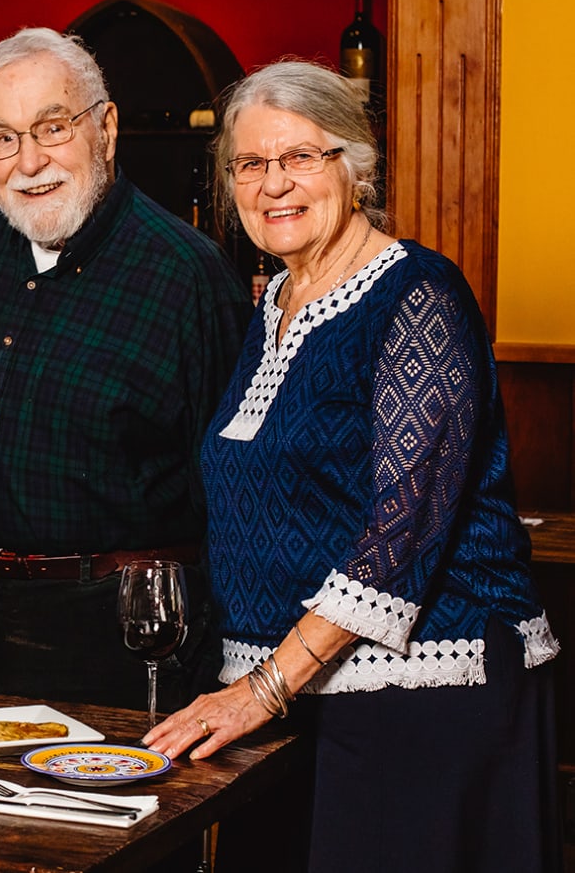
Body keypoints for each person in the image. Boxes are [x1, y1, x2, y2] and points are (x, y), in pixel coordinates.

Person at [145, 60, 561, 872]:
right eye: (252, 164)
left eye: (301, 156)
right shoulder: (272, 303)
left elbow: (399, 533)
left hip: (430, 695)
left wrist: (262, 689)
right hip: (296, 699)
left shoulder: (419, 295)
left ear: (356, 165)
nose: (275, 184)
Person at [0, 27, 251, 710]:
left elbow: (232, 496)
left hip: (109, 624)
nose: (29, 160)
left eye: (52, 127)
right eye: (2, 137)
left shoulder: (186, 275)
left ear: (106, 127)